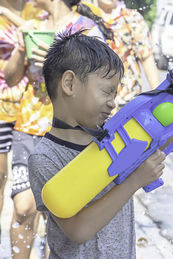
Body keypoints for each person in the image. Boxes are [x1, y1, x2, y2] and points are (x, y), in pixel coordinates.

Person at [28, 30, 173, 258]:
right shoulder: (45, 157)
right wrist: (135, 181)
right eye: (106, 91)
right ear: (69, 84)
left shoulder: (117, 135)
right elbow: (79, 231)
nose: (112, 102)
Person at [5, 0, 111, 257]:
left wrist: (58, 64)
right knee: (23, 208)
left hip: (69, 131)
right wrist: (21, 49)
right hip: (28, 126)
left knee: (61, 209)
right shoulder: (33, 25)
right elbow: (10, 78)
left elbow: (101, 78)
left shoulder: (87, 30)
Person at [0, 0, 42, 252]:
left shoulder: (39, 10)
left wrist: (6, 13)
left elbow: (36, 32)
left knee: (28, 199)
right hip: (0, 109)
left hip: (30, 110)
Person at [97, 0, 160, 109]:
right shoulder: (83, 18)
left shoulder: (132, 18)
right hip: (93, 103)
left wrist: (160, 97)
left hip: (126, 102)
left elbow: (147, 59)